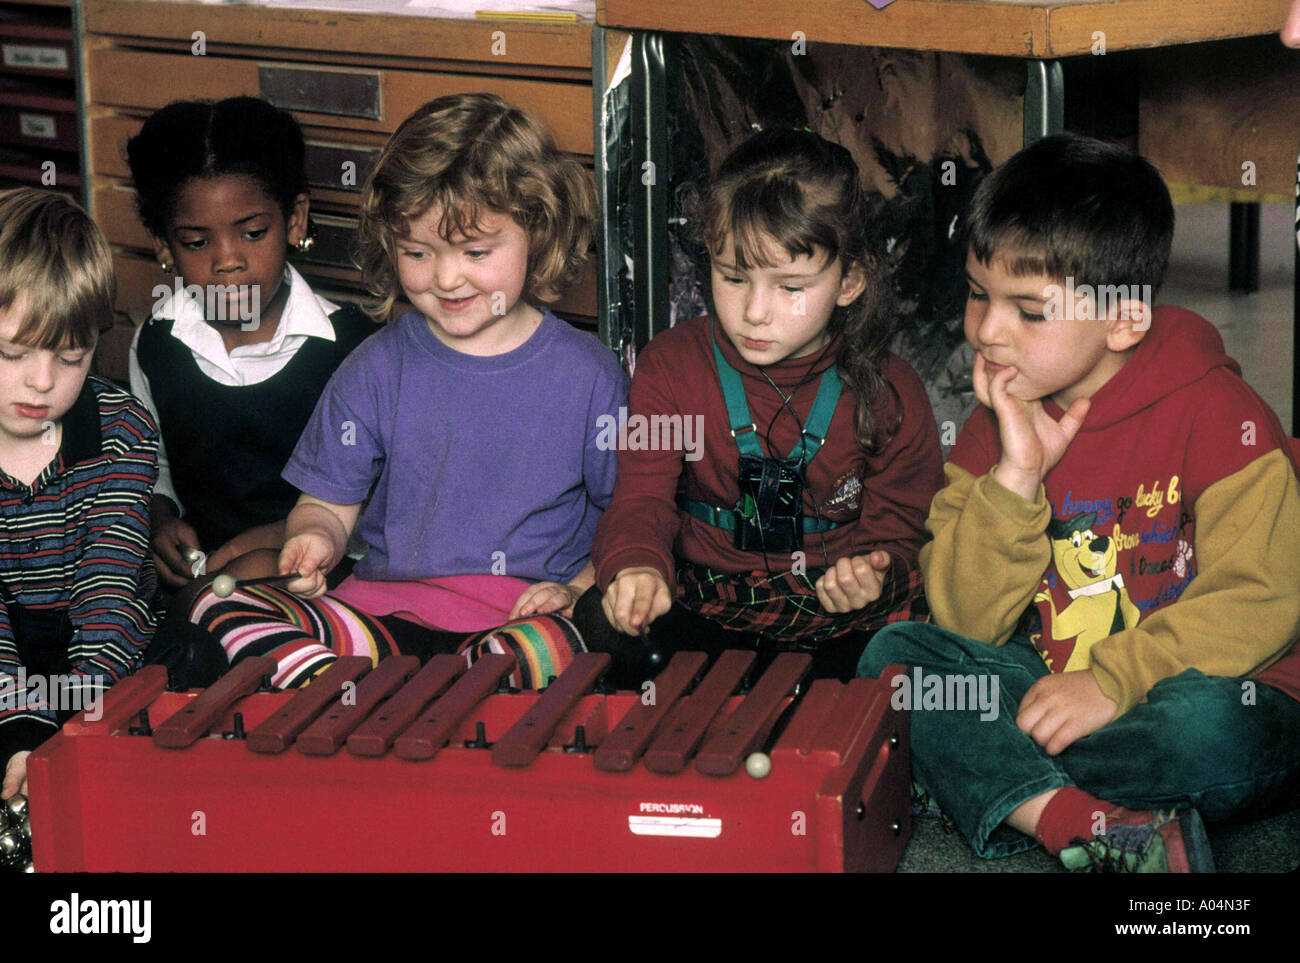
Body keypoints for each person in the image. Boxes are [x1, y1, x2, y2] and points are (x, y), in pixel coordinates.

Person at [860, 133, 1300, 872]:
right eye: (977, 294)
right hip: (1049, 692)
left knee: (1210, 728)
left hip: (1206, 695)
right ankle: (1080, 819)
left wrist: (1112, 679)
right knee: (896, 657)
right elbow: (965, 620)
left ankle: (995, 781)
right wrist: (1015, 477)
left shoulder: (1222, 414)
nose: (986, 331)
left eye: (1028, 311)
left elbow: (1264, 596)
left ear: (1124, 318)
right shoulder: (989, 428)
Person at [182, 93, 627, 690]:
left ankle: (413, 698)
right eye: (418, 252)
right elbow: (325, 505)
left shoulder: (591, 375)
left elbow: (629, 521)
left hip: (516, 622)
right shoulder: (376, 364)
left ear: (537, 232)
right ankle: (364, 692)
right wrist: (314, 539)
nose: (445, 278)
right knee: (215, 604)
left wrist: (573, 591)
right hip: (378, 619)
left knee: (572, 640)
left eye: (475, 252)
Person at [583, 128, 944, 685]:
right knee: (603, 630)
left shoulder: (891, 391)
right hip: (706, 600)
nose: (754, 312)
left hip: (839, 618)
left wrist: (874, 572)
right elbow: (640, 501)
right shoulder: (670, 366)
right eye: (733, 277)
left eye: (790, 287)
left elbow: (902, 532)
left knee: (911, 660)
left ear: (848, 282)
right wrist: (636, 568)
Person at [126, 97, 376, 594]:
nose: (227, 261)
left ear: (296, 220)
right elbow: (155, 468)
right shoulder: (156, 343)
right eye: (196, 242)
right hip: (200, 585)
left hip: (325, 587)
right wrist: (160, 519)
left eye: (253, 233)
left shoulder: (354, 351)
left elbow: (384, 499)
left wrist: (290, 534)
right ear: (162, 245)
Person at [0, 189, 159, 800]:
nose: (41, 383)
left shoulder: (122, 435)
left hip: (106, 654)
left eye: (71, 357)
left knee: (192, 660)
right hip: (7, 655)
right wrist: (17, 722)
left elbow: (109, 597)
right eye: (13, 353)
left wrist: (66, 719)